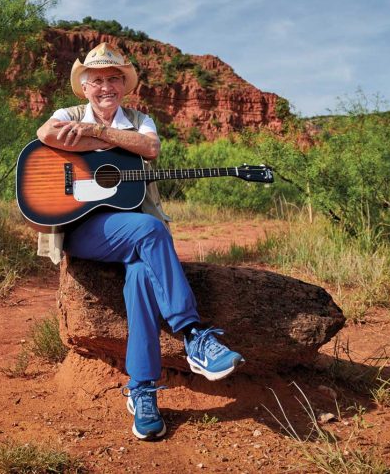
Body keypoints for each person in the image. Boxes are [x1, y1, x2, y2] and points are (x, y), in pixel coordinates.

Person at [36, 42, 244, 440]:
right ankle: (193, 335)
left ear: (124, 85)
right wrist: (103, 141)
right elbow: (46, 134)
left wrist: (97, 133)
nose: (105, 87)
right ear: (84, 87)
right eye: (96, 80)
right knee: (151, 231)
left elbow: (149, 148)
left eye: (113, 78)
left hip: (130, 235)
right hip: (83, 228)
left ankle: (142, 390)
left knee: (143, 279)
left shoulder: (140, 120)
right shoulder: (67, 115)